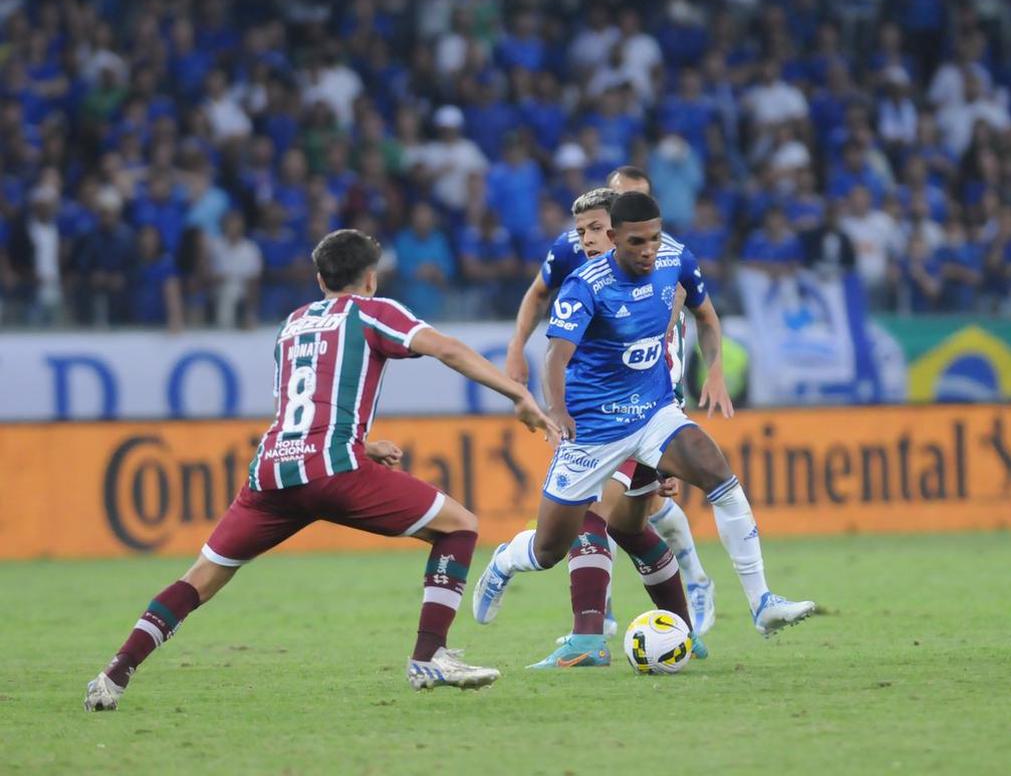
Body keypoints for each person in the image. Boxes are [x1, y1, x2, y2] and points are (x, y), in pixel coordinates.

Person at [84, 228, 559, 710]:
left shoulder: (290, 326)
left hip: (271, 473)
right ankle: (429, 653)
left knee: (201, 577)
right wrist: (518, 394)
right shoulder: (374, 311)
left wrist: (363, 443)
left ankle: (115, 674)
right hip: (334, 472)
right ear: (370, 279)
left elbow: (298, 405)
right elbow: (448, 350)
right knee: (459, 526)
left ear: (319, 279)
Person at [474, 193, 815, 664]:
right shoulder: (585, 285)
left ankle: (762, 602)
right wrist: (558, 410)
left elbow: (705, 315)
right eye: (637, 241)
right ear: (613, 238)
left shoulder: (676, 258)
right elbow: (556, 356)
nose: (649, 249)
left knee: (718, 472)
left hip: (654, 413)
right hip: (593, 429)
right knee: (550, 547)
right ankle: (504, 562)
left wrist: (713, 369)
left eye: (654, 237)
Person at [503, 167, 718, 641]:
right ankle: (653, 610)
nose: (603, 233)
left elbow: (688, 318)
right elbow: (539, 294)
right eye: (597, 225)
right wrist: (518, 347)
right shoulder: (571, 251)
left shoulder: (666, 256)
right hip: (596, 408)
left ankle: (596, 630)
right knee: (626, 524)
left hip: (650, 401)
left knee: (605, 515)